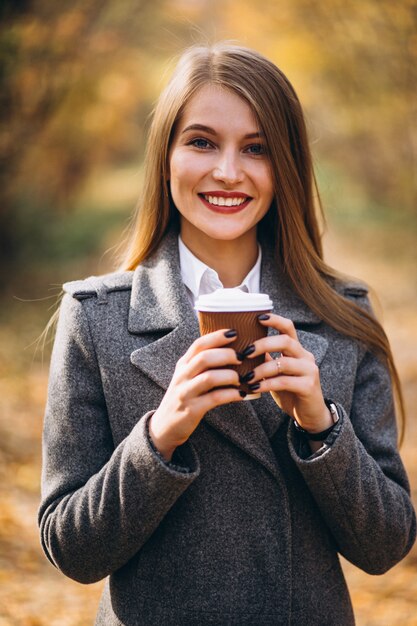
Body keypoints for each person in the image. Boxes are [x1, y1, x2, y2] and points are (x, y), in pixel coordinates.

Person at [38, 43, 416, 625]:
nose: (228, 171)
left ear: (285, 165)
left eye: (256, 148)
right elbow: (70, 549)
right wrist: (160, 436)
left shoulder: (344, 319)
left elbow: (387, 545)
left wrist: (321, 425)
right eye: (202, 141)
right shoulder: (96, 319)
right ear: (165, 156)